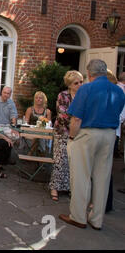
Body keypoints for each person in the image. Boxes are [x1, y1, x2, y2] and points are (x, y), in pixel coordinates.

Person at [59, 59, 125, 230]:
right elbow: (118, 114)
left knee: (81, 176)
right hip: (110, 134)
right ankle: (97, 219)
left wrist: (72, 138)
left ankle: (78, 217)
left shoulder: (86, 89)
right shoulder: (118, 91)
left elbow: (76, 118)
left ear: (89, 73)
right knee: (102, 178)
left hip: (88, 134)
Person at [49, 70, 83, 202]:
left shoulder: (83, 95)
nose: (79, 85)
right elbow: (62, 114)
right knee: (60, 160)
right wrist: (75, 125)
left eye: (81, 82)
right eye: (76, 83)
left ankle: (70, 187)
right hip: (62, 132)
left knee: (73, 161)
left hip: (78, 133)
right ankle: (55, 187)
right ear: (69, 85)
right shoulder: (63, 95)